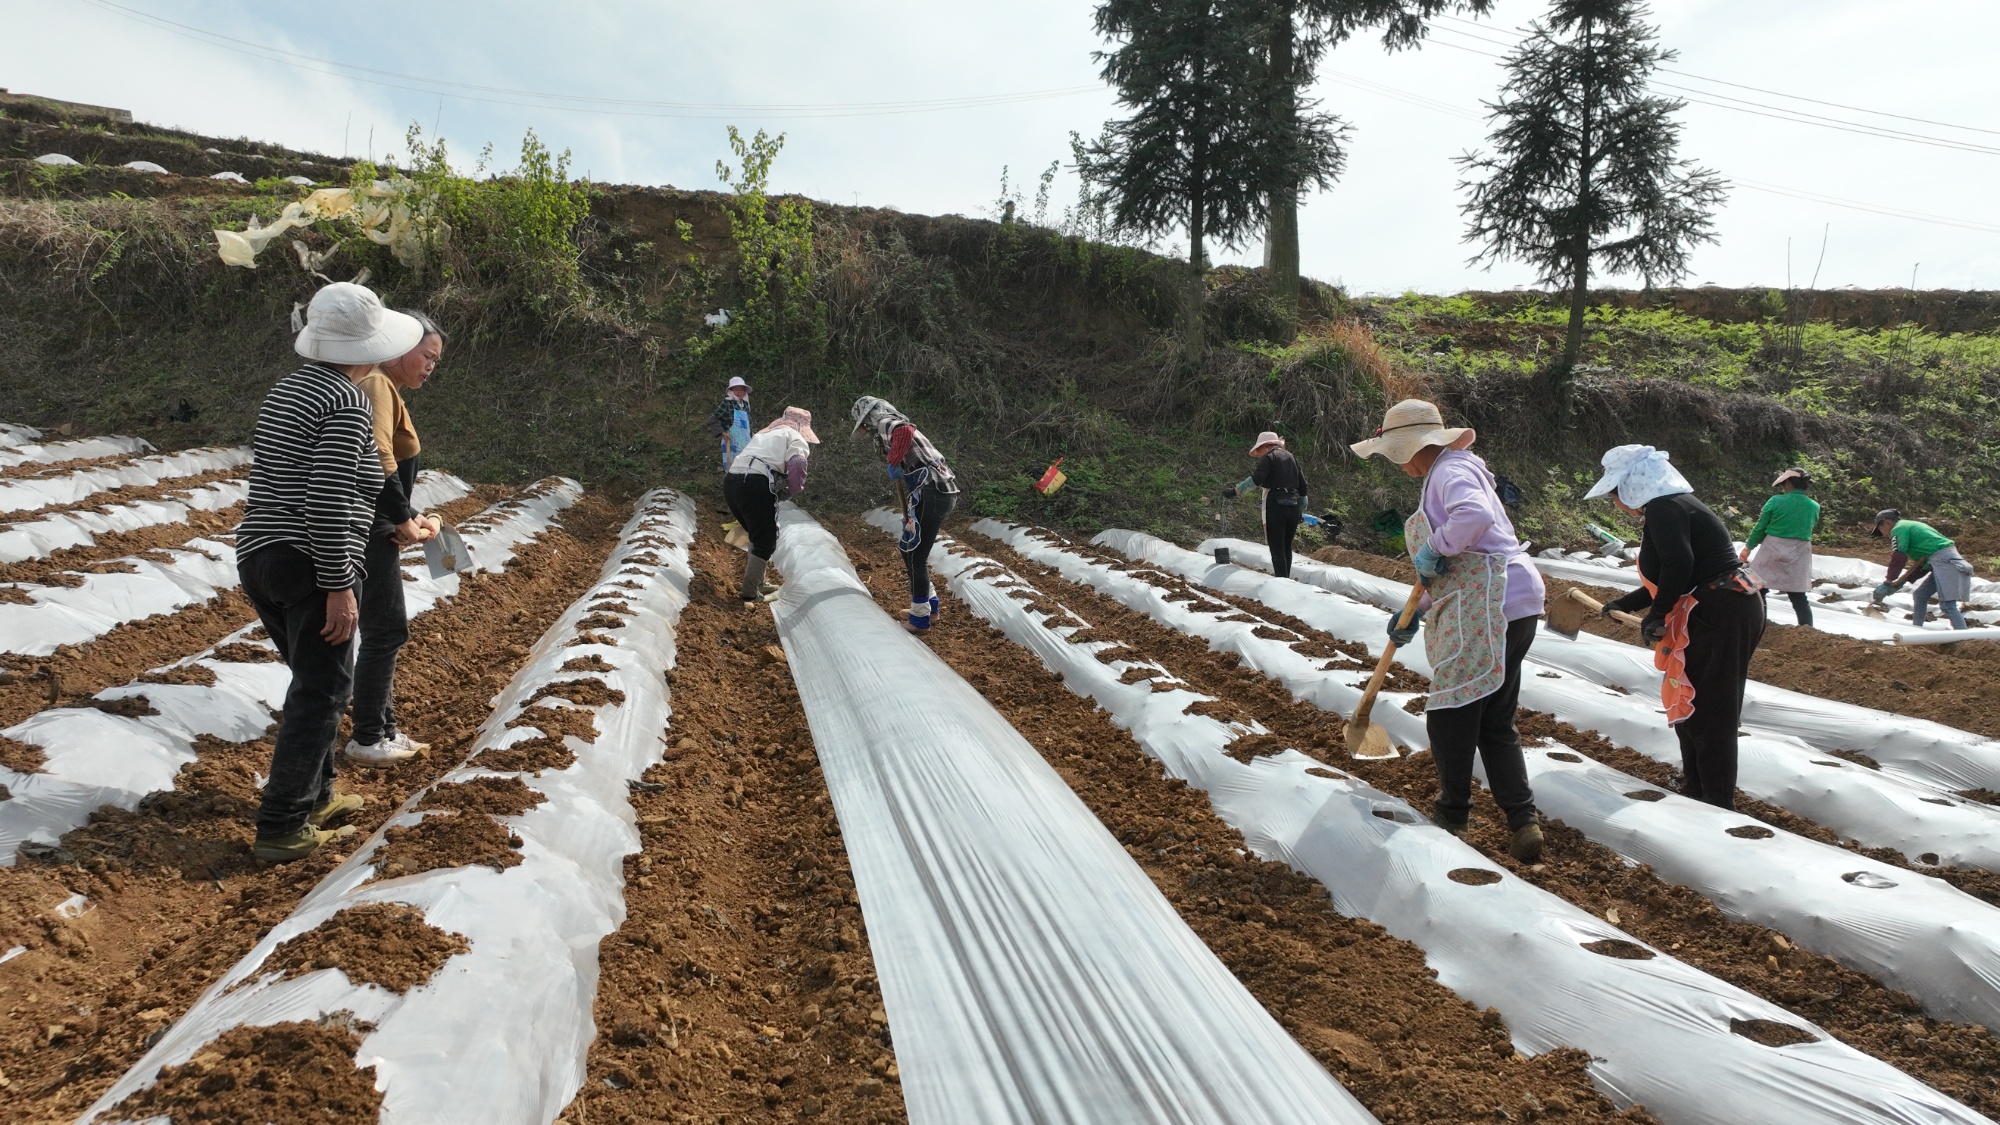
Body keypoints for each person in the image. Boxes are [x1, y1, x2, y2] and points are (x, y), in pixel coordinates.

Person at [236, 282, 419, 861]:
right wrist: (339, 584)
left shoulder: (289, 390)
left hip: (260, 556)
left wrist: (399, 518)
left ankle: (317, 797)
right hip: (310, 561)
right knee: (323, 691)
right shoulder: (346, 401)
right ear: (365, 347)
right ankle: (283, 825)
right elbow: (331, 496)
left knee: (313, 679)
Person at [1351, 399, 1545, 861]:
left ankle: (1453, 813)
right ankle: (1523, 820)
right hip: (1511, 600)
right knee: (1495, 720)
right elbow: (1460, 565)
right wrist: (1415, 612)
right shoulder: (1460, 468)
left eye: (1393, 452)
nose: (1394, 462)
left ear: (1413, 448)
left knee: (1449, 713)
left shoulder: (1449, 472)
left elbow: (1472, 520)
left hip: (1488, 604)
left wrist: (1435, 545)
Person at [1588, 445, 1764, 810]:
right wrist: (1629, 603)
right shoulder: (1672, 506)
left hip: (1721, 611)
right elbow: (1675, 569)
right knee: (1695, 706)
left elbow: (1679, 563)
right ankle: (1697, 790)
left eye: (1615, 494)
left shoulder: (1666, 508)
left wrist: (1657, 614)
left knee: (1711, 709)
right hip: (1721, 605)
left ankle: (1717, 802)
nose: (1616, 503)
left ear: (1632, 487)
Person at [344, 312, 446, 764]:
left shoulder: (384, 389)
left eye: (435, 362)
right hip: (368, 529)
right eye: (426, 355)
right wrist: (402, 517)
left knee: (383, 630)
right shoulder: (378, 385)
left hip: (376, 524)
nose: (429, 366)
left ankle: (383, 728)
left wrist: (412, 513)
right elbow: (379, 454)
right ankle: (369, 736)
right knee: (385, 631)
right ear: (400, 347)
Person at [851, 397, 961, 634]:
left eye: (864, 424)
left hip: (934, 490)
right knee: (908, 550)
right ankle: (928, 606)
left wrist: (893, 460)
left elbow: (905, 431)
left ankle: (920, 619)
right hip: (930, 491)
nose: (866, 429)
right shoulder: (885, 430)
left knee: (915, 554)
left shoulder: (888, 423)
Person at [724, 407, 817, 602]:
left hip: (732, 482)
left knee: (756, 532)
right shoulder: (794, 436)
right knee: (765, 539)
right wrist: (793, 489)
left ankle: (759, 582)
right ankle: (750, 593)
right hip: (754, 483)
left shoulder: (765, 434)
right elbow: (798, 463)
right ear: (801, 427)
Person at [1223, 431, 1309, 579]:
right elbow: (1303, 486)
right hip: (1293, 505)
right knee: (1286, 545)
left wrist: (1236, 491)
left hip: (1277, 503)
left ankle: (1281, 581)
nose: (1261, 453)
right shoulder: (1291, 457)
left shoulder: (1270, 457)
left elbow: (1256, 479)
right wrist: (1301, 509)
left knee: (1276, 546)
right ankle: (1286, 579)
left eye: (1261, 449)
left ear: (1267, 445)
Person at [1742, 467, 1820, 627]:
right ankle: (1807, 630)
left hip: (1772, 549)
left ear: (1789, 483)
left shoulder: (1776, 501)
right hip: (1800, 551)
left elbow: (1760, 527)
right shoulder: (1814, 506)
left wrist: (1748, 547)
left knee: (1760, 590)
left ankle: (1758, 625)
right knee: (1798, 595)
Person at [1872, 509, 1975, 630]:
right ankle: (1916, 629)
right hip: (1941, 563)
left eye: (1880, 529)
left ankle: (1963, 637)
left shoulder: (1899, 529)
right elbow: (1922, 564)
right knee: (1920, 595)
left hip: (1947, 563)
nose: (1883, 534)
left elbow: (1899, 557)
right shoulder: (1911, 525)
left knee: (1948, 605)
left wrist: (1888, 582)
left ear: (1886, 522)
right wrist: (1900, 583)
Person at [706, 377, 754, 471]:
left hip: (746, 442)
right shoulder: (727, 403)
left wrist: (752, 434)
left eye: (741, 390)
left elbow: (748, 423)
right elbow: (713, 418)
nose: (739, 392)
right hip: (732, 442)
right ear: (731, 391)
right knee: (733, 469)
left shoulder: (745, 405)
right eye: (736, 389)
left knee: (747, 469)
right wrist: (722, 433)